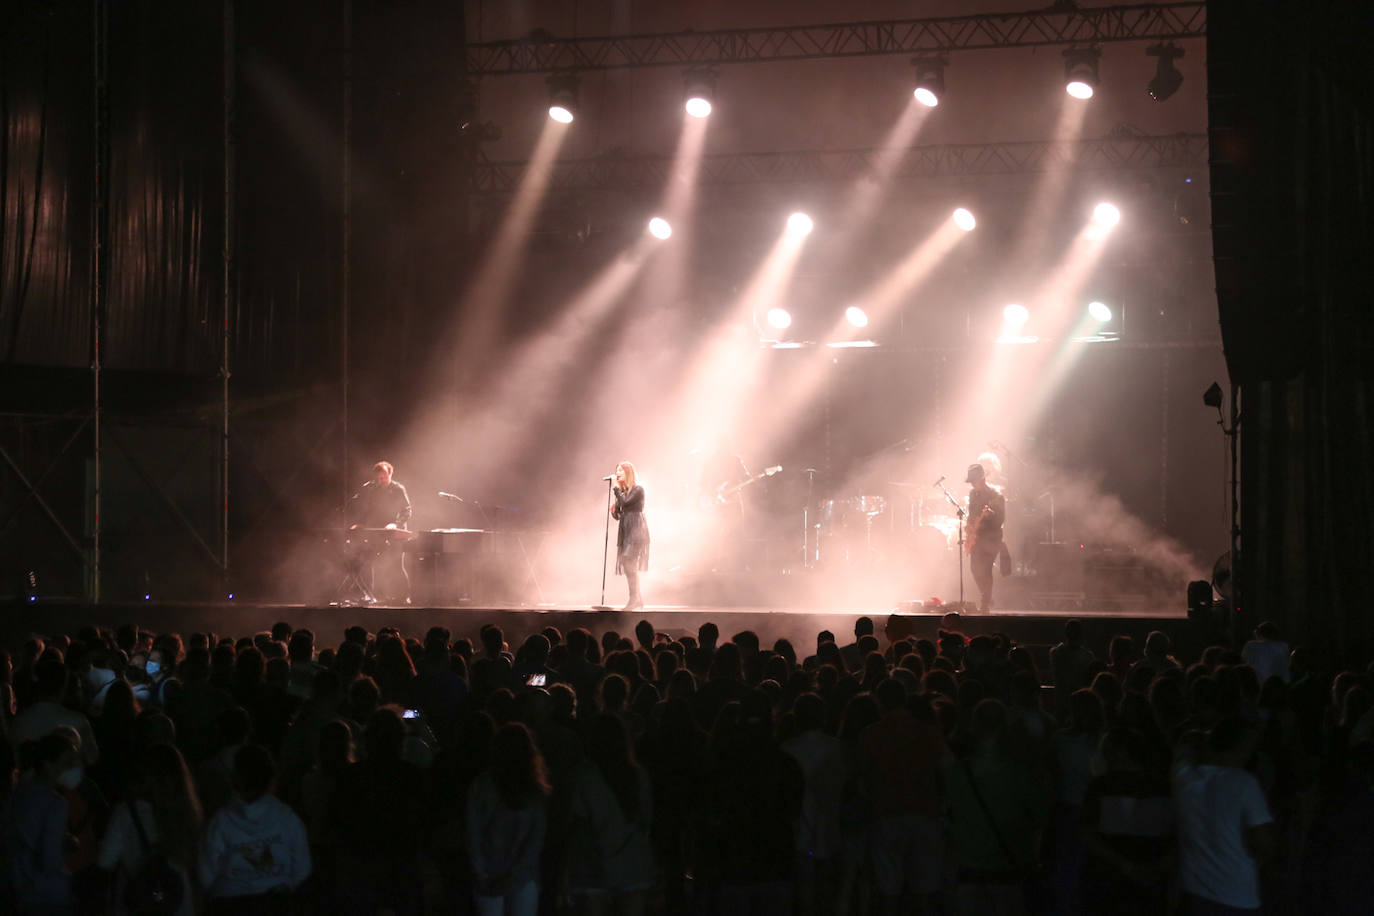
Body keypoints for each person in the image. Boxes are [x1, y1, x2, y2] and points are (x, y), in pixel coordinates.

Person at [466, 722, 550, 916]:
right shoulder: (534, 790)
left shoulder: (482, 785)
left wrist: (482, 873)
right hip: (523, 877)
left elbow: (474, 833)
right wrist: (515, 875)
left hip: (488, 875)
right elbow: (536, 841)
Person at [348, 460, 413, 605]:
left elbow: (406, 510)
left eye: (383, 477)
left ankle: (404, 597)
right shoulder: (373, 489)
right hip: (377, 532)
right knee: (370, 562)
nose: (381, 480)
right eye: (379, 478)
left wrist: (395, 524)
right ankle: (373, 595)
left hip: (395, 533)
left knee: (396, 564)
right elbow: (368, 510)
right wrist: (361, 524)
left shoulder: (398, 489)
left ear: (390, 474)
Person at [964, 463, 1006, 612]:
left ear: (982, 479)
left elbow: (1001, 519)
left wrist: (989, 516)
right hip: (976, 537)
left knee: (986, 569)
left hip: (991, 537)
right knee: (974, 569)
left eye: (974, 481)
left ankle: (985, 602)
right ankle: (986, 595)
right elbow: (971, 513)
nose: (973, 484)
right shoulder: (972, 494)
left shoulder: (996, 496)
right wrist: (969, 525)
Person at [610, 461, 650, 611]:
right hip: (627, 530)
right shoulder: (624, 491)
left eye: (620, 470)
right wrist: (614, 510)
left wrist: (615, 489)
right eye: (616, 470)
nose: (617, 473)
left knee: (628, 562)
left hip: (636, 530)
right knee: (628, 565)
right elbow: (620, 513)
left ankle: (634, 598)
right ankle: (637, 598)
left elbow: (626, 503)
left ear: (628, 472)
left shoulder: (638, 489)